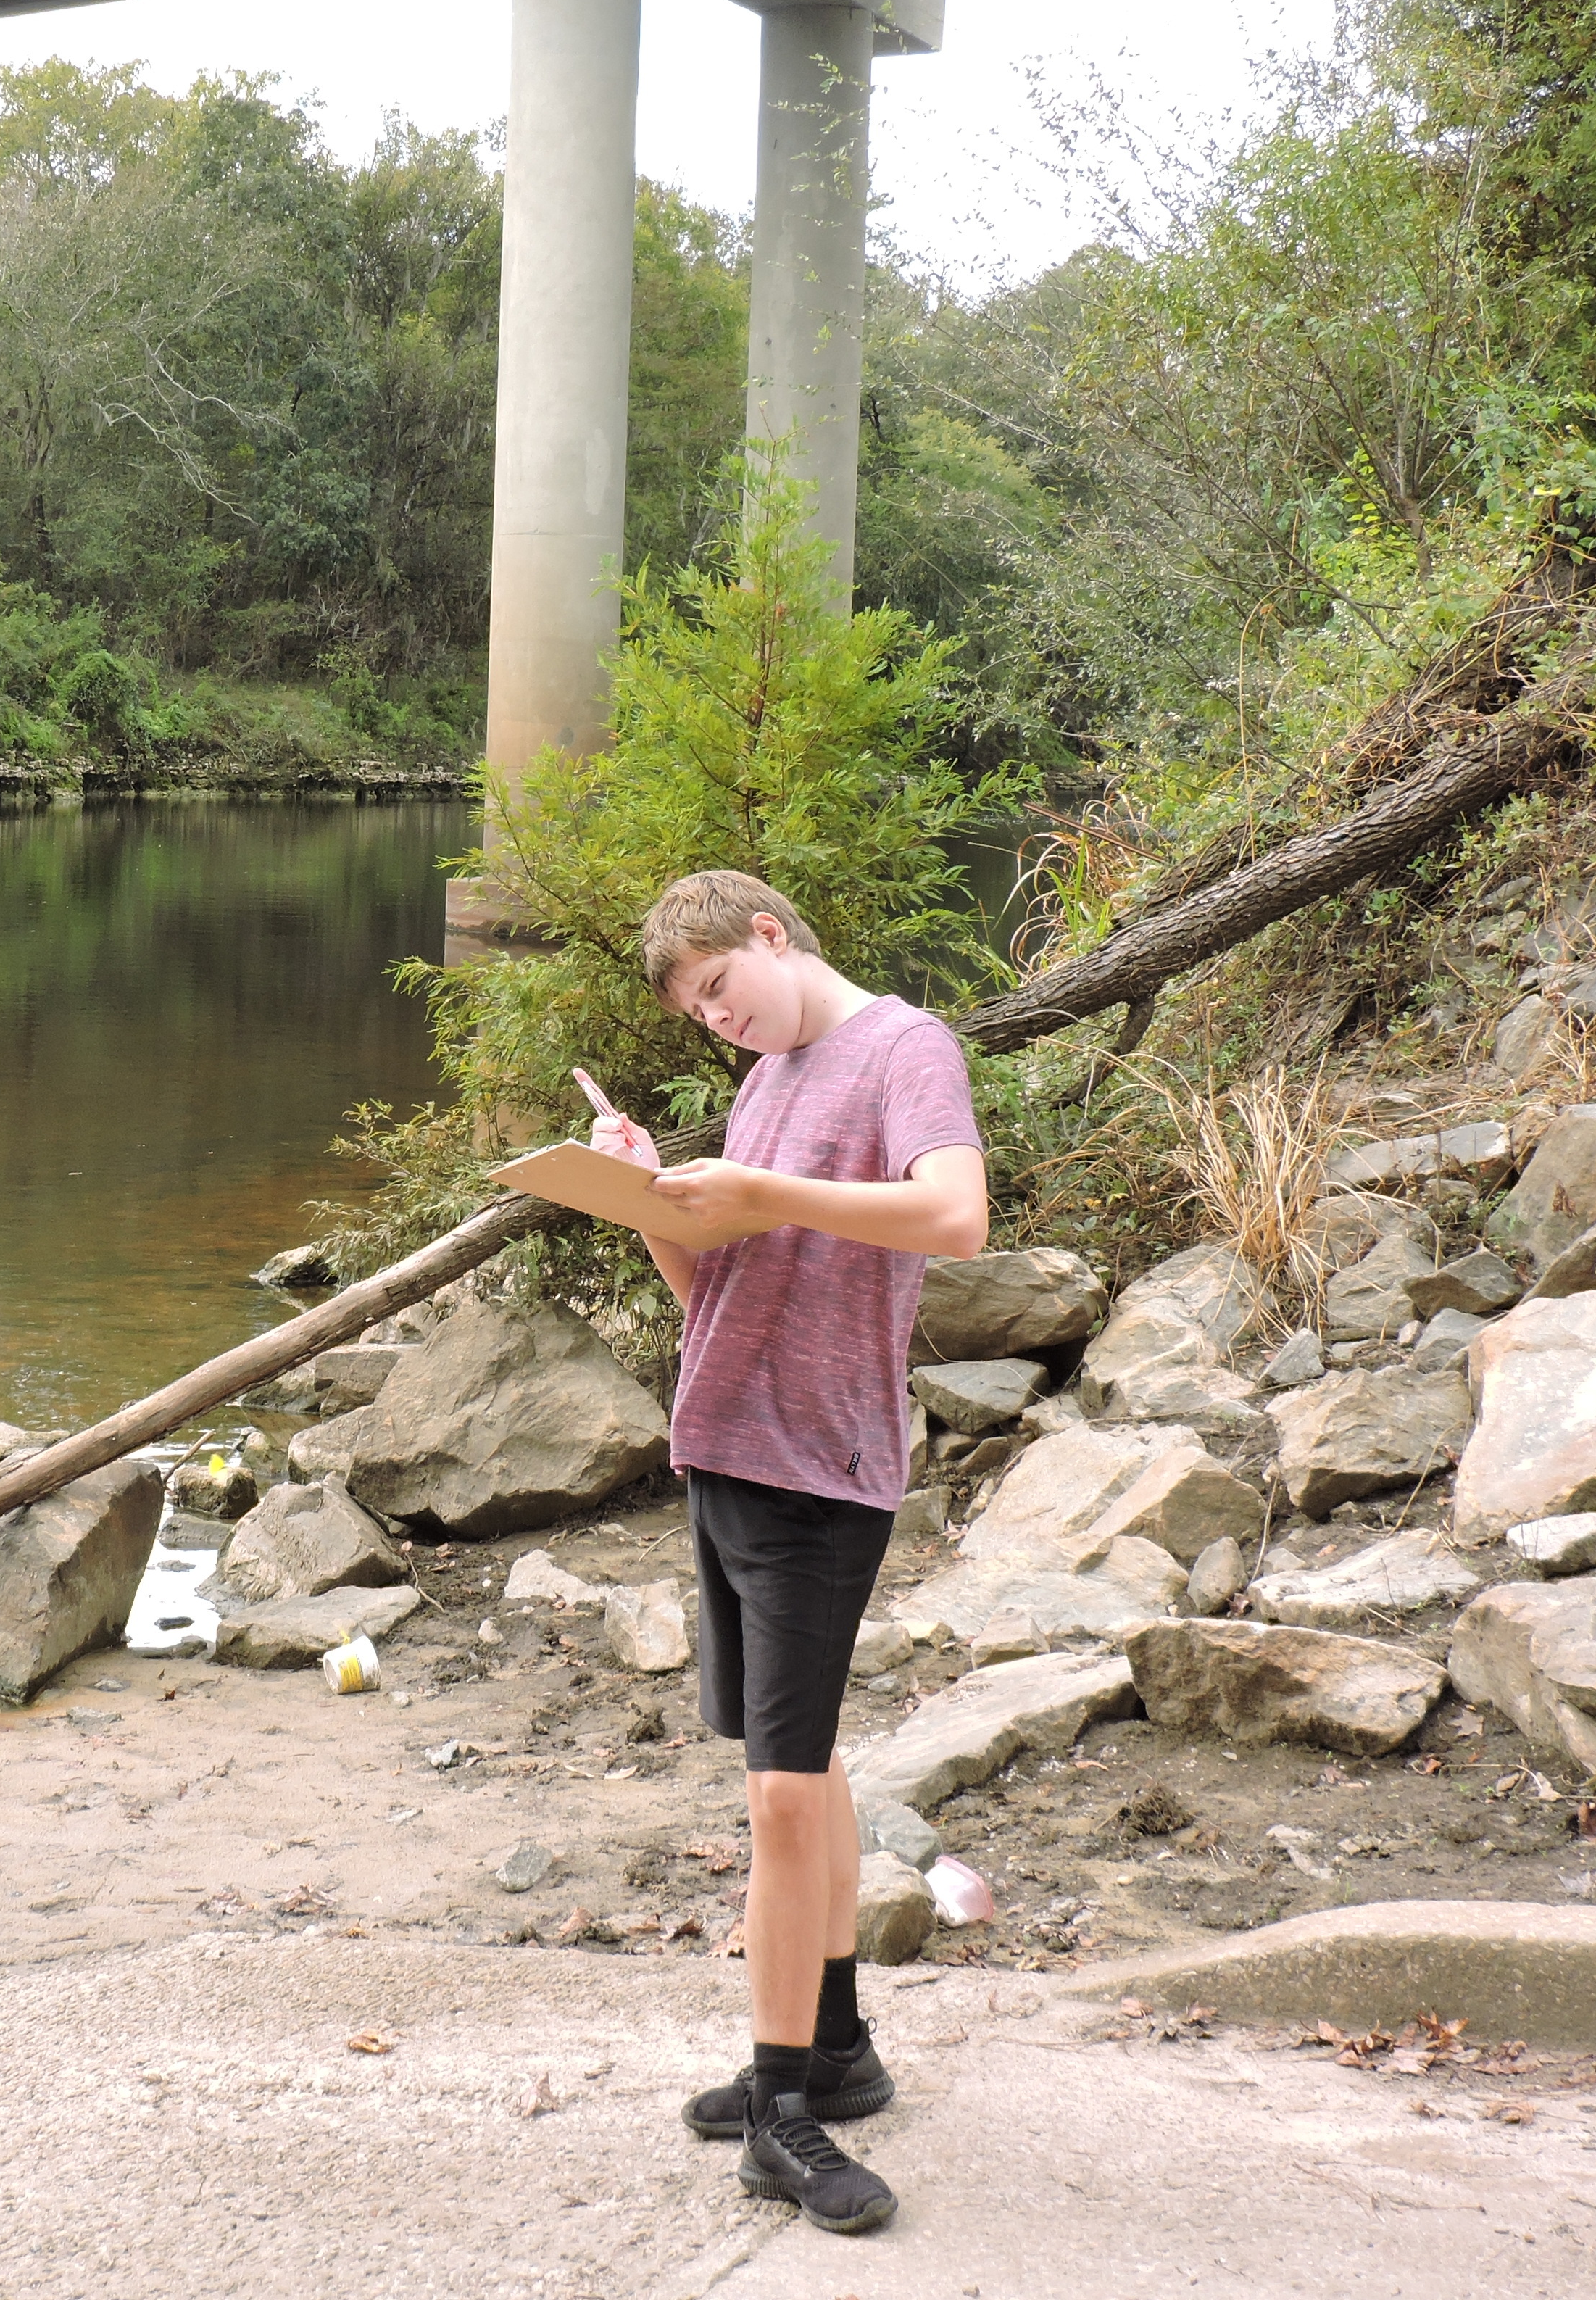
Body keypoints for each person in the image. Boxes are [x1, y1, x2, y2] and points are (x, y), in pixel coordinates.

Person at [587, 868, 988, 2236]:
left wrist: (769, 1186)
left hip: (822, 1467)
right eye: (697, 1016)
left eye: (718, 989)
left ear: (769, 934)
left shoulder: (900, 1048)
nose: (718, 1024)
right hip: (730, 1451)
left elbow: (956, 1216)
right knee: (802, 1773)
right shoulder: (771, 1079)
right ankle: (837, 2054)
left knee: (776, 1799)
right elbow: (724, 1286)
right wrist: (649, 1200)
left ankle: (779, 2115)